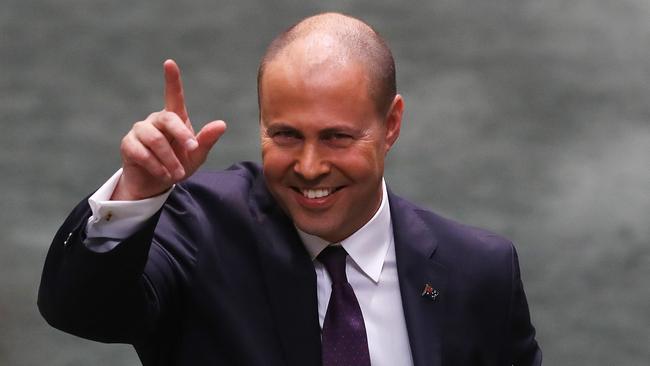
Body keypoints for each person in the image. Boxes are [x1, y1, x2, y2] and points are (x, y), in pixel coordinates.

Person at [38, 12, 542, 366]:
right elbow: (82, 310)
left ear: (391, 125)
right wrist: (138, 193)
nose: (308, 166)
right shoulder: (196, 228)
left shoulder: (480, 272)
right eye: (285, 135)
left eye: (336, 137)